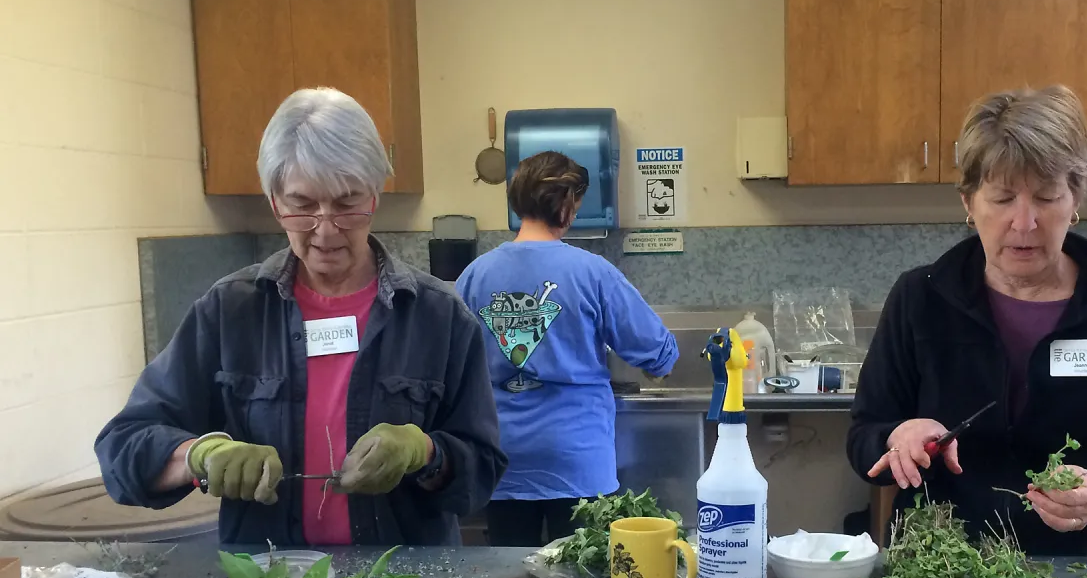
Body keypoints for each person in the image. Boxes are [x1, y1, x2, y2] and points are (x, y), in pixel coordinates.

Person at [97, 88, 507, 545]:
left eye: (347, 203)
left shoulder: (438, 316)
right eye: (304, 205)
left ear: (375, 195)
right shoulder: (231, 311)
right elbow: (123, 447)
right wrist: (201, 455)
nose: (326, 229)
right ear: (275, 201)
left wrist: (425, 451)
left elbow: (483, 472)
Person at [848, 86, 1087, 556]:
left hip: (1076, 575)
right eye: (1003, 198)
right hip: (937, 572)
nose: (1024, 222)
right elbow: (863, 436)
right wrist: (896, 436)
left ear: (1076, 200)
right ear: (969, 203)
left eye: (1047, 197)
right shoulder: (920, 298)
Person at [455, 151, 679, 546]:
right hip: (577, 460)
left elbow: (452, 365)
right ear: (566, 203)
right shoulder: (593, 272)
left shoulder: (474, 276)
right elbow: (657, 354)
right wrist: (656, 366)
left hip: (503, 461)